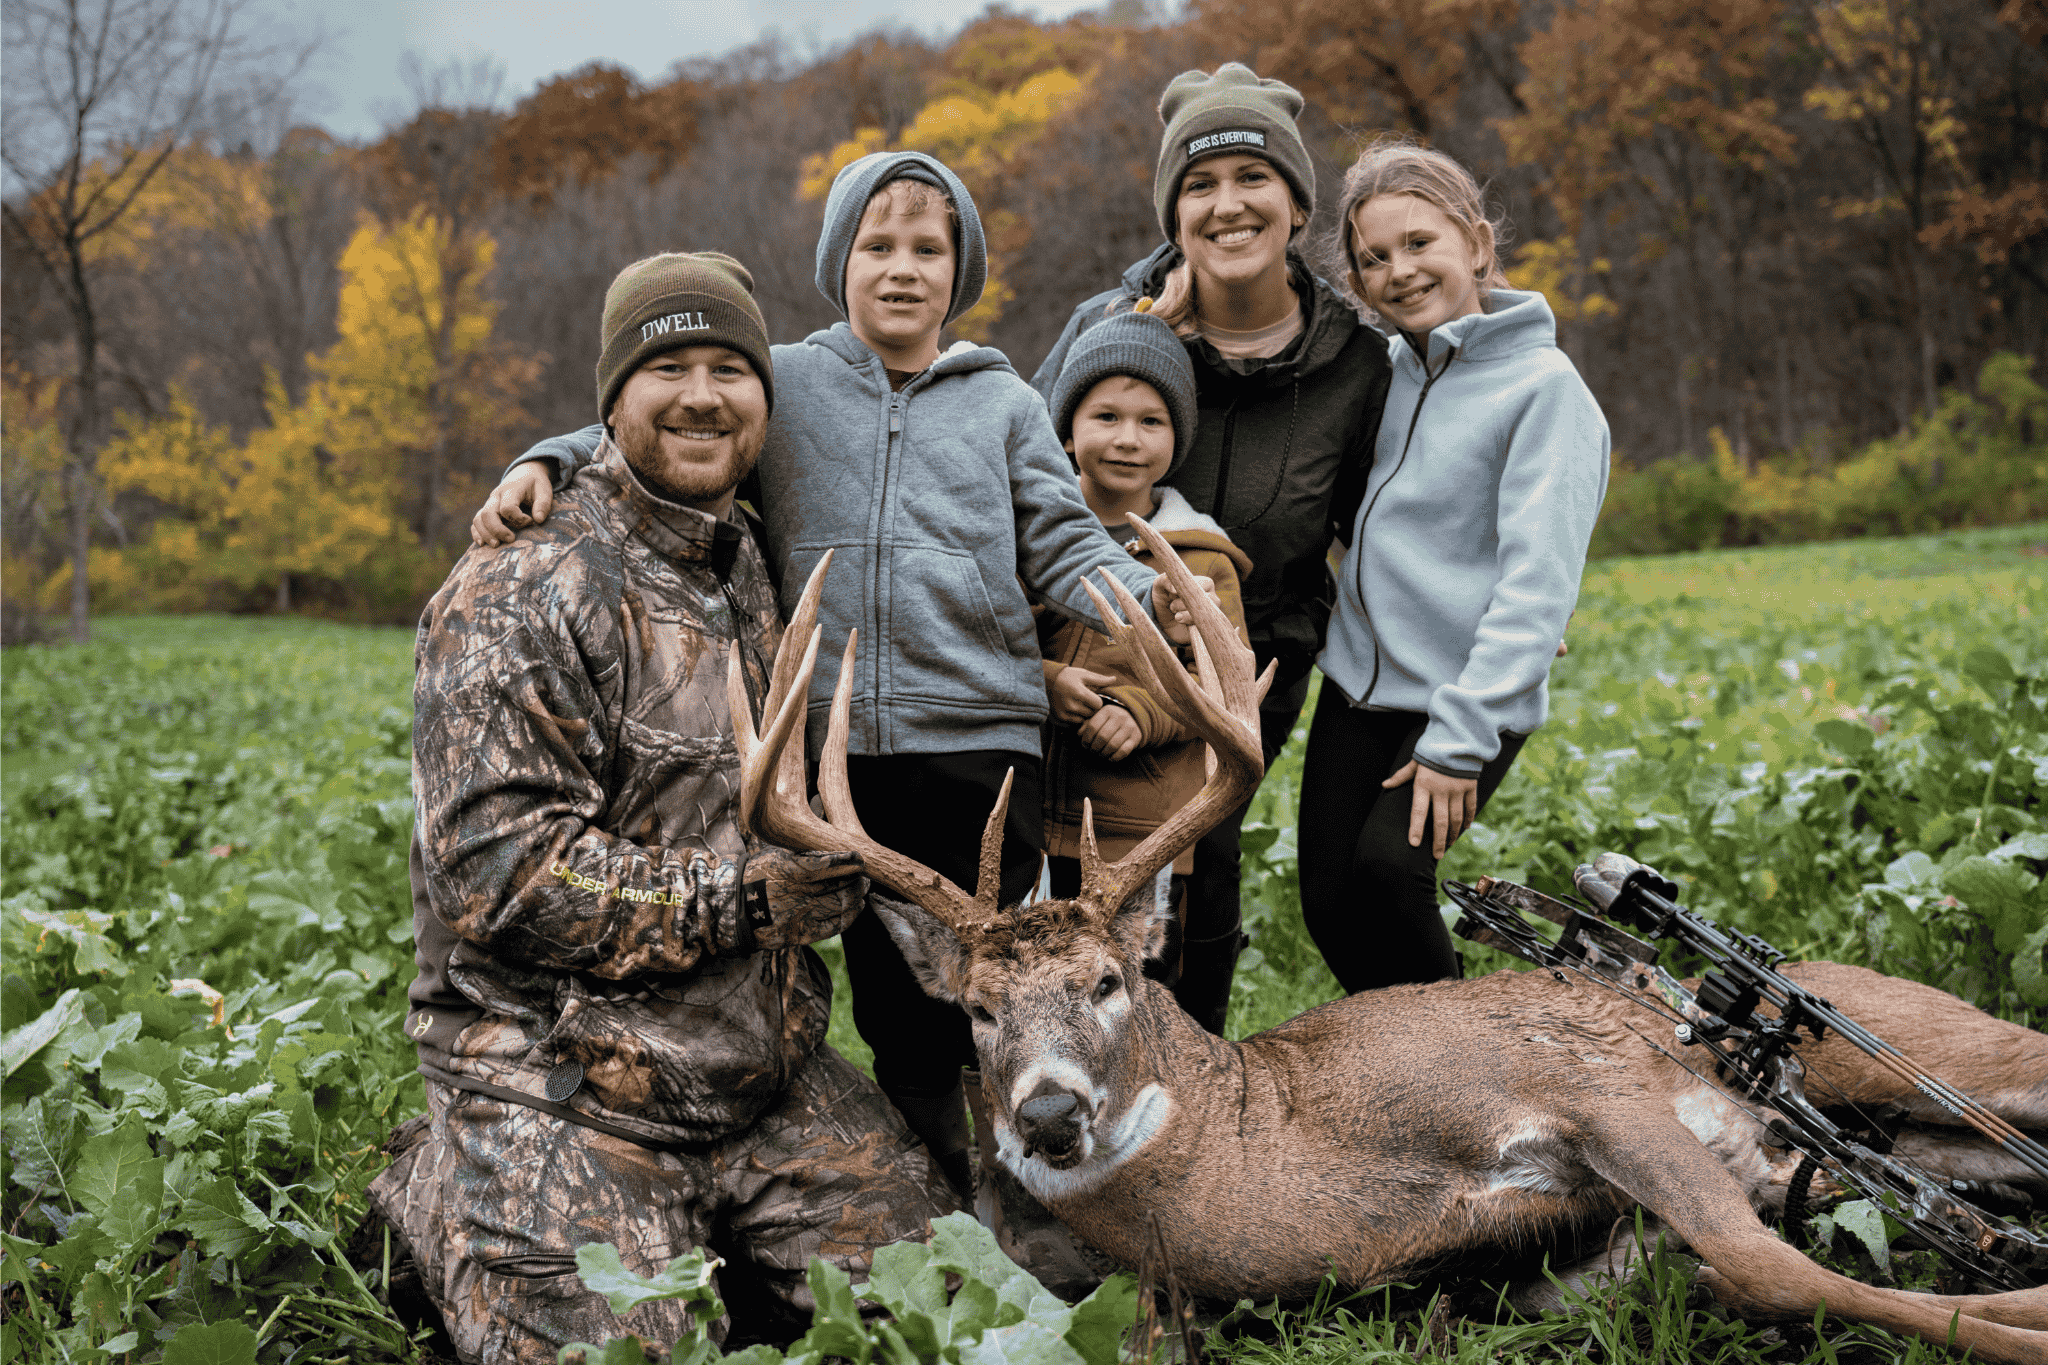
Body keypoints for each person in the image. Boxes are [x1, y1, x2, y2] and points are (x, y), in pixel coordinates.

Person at [465, 152, 1203, 1209]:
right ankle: (946, 1193)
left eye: (927, 250)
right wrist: (540, 458)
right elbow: (646, 419)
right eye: (877, 247)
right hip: (834, 762)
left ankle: (1046, 1183)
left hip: (978, 750)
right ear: (837, 262)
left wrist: (1143, 599)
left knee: (1002, 986)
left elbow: (1062, 543)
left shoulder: (1002, 402)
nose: (901, 271)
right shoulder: (790, 383)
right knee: (899, 1004)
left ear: (961, 271)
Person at [366, 251, 961, 1364]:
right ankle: (447, 1184)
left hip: (760, 1077)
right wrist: (745, 897)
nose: (701, 394)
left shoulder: (744, 554)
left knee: (965, 1323)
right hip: (563, 1080)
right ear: (613, 400)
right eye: (667, 366)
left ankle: (703, 1235)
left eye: (729, 367)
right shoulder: (523, 586)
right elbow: (498, 869)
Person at [1029, 63, 1392, 1034]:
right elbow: (996, 455)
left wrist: (1500, 598)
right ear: (1170, 212)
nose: (1226, 205)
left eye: (1250, 178)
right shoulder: (1108, 332)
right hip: (1096, 642)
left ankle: (1190, 1069)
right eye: (1198, 184)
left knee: (1200, 846)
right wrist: (1143, 339)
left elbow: (1391, 510)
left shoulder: (1354, 360)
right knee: (1079, 856)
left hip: (1255, 653)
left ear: (1295, 201)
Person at [1299, 137, 1609, 993]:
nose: (1398, 270)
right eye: (1373, 259)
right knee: (1327, 899)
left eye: (1419, 243)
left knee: (1389, 878)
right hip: (1361, 686)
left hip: (1468, 694)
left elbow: (1537, 581)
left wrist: (1462, 738)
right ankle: (1403, 1078)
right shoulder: (1387, 373)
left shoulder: (1546, 391)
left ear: (1475, 243)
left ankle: (1471, 1076)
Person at [1036, 309, 1251, 1022]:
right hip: (1038, 825)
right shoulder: (1030, 541)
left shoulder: (1199, 559)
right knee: (1047, 992)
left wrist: (1141, 710)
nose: (1127, 439)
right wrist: (1045, 680)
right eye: (1105, 416)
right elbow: (989, 637)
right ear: (1067, 430)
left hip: (1142, 828)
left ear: (1177, 439)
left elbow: (1220, 680)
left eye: (1151, 421)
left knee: (1135, 997)